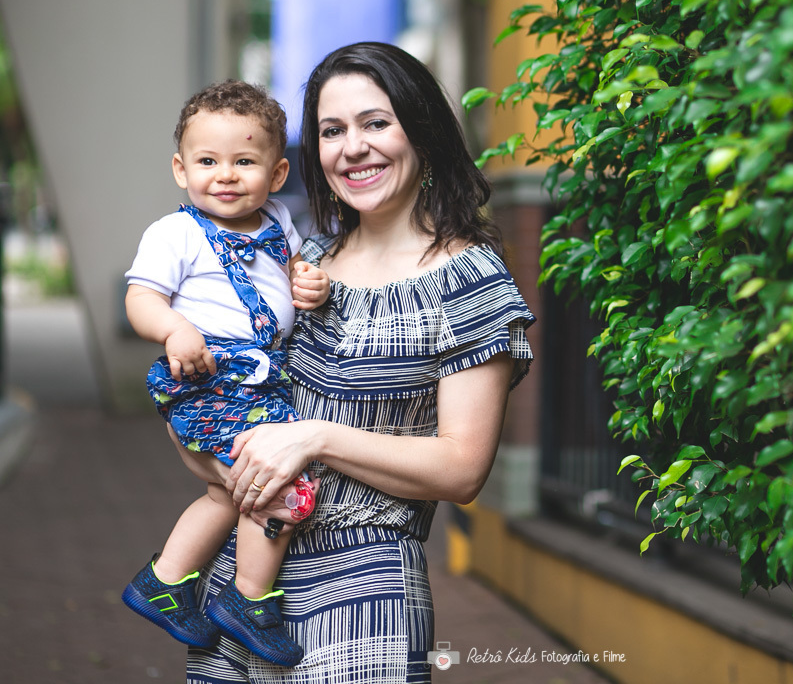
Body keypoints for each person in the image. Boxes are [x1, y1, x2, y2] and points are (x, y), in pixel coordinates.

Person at [178, 42, 535, 683]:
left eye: (377, 123)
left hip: (365, 595)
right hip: (244, 582)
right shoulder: (307, 258)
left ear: (420, 131)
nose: (353, 148)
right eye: (332, 130)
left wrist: (314, 437)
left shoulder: (470, 279)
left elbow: (462, 469)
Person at [122, 80, 330, 668]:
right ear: (180, 169)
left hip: (262, 386)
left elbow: (293, 276)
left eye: (245, 161)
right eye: (208, 161)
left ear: (278, 172)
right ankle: (248, 599)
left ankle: (165, 580)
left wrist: (309, 284)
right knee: (280, 494)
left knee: (225, 491)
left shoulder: (278, 224)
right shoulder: (176, 233)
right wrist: (172, 329)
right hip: (209, 384)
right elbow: (140, 299)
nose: (226, 174)